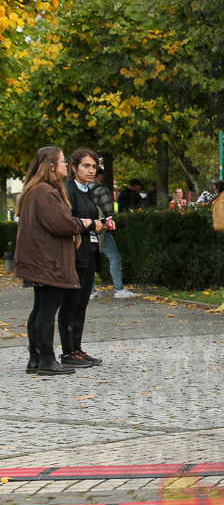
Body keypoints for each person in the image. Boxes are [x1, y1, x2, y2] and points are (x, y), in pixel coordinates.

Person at [14, 147, 93, 376]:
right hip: (47, 260)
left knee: (40, 308)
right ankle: (46, 361)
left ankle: (36, 359)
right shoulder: (44, 191)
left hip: (39, 258)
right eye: (62, 160)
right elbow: (62, 224)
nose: (65, 164)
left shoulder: (36, 190)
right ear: (50, 165)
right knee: (47, 309)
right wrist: (84, 224)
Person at [56, 149, 106, 368]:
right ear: (74, 168)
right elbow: (68, 221)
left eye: (94, 166)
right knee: (70, 304)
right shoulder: (68, 190)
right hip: (74, 255)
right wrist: (90, 225)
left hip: (89, 254)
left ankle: (76, 348)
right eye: (86, 166)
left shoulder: (88, 190)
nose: (91, 170)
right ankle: (68, 351)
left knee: (82, 304)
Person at [86, 162, 135, 299]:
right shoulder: (101, 190)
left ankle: (91, 291)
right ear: (100, 176)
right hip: (101, 226)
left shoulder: (84, 189)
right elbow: (108, 209)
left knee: (90, 259)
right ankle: (119, 289)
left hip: (88, 226)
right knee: (114, 257)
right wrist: (110, 221)